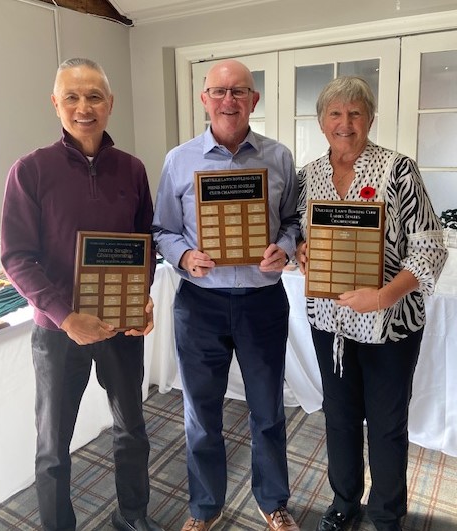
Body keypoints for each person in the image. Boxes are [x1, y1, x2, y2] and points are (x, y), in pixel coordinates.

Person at [0, 58, 164, 531]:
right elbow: (17, 257)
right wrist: (67, 317)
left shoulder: (131, 170)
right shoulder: (29, 171)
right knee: (53, 445)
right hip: (58, 334)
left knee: (131, 429)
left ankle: (132, 516)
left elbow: (144, 244)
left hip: (119, 326)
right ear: (56, 104)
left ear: (110, 104)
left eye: (94, 96)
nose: (83, 107)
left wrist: (142, 300)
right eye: (71, 97)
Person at [152, 59, 301, 531]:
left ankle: (273, 501)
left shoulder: (278, 158)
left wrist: (286, 247)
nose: (229, 100)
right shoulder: (178, 160)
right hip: (201, 305)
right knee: (200, 413)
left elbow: (294, 220)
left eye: (239, 91)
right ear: (204, 99)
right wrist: (182, 257)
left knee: (268, 410)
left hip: (262, 303)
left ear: (254, 100)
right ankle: (204, 507)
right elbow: (161, 229)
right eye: (218, 91)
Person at [294, 76, 448, 531]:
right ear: (322, 122)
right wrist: (303, 250)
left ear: (370, 119)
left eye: (355, 113)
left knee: (385, 425)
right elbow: (300, 236)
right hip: (330, 323)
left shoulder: (399, 171)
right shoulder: (308, 177)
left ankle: (385, 513)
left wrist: (381, 296)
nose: (346, 123)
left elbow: (430, 249)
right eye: (336, 114)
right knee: (339, 419)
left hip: (391, 327)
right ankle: (344, 503)